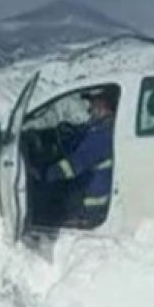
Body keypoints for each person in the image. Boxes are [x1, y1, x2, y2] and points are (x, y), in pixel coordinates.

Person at [41, 88, 116, 227]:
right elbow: (83, 137)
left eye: (92, 104)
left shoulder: (102, 135)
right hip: (88, 193)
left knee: (54, 212)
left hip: (91, 206)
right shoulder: (100, 128)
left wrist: (49, 173)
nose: (89, 109)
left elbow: (75, 164)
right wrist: (70, 132)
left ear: (102, 106)